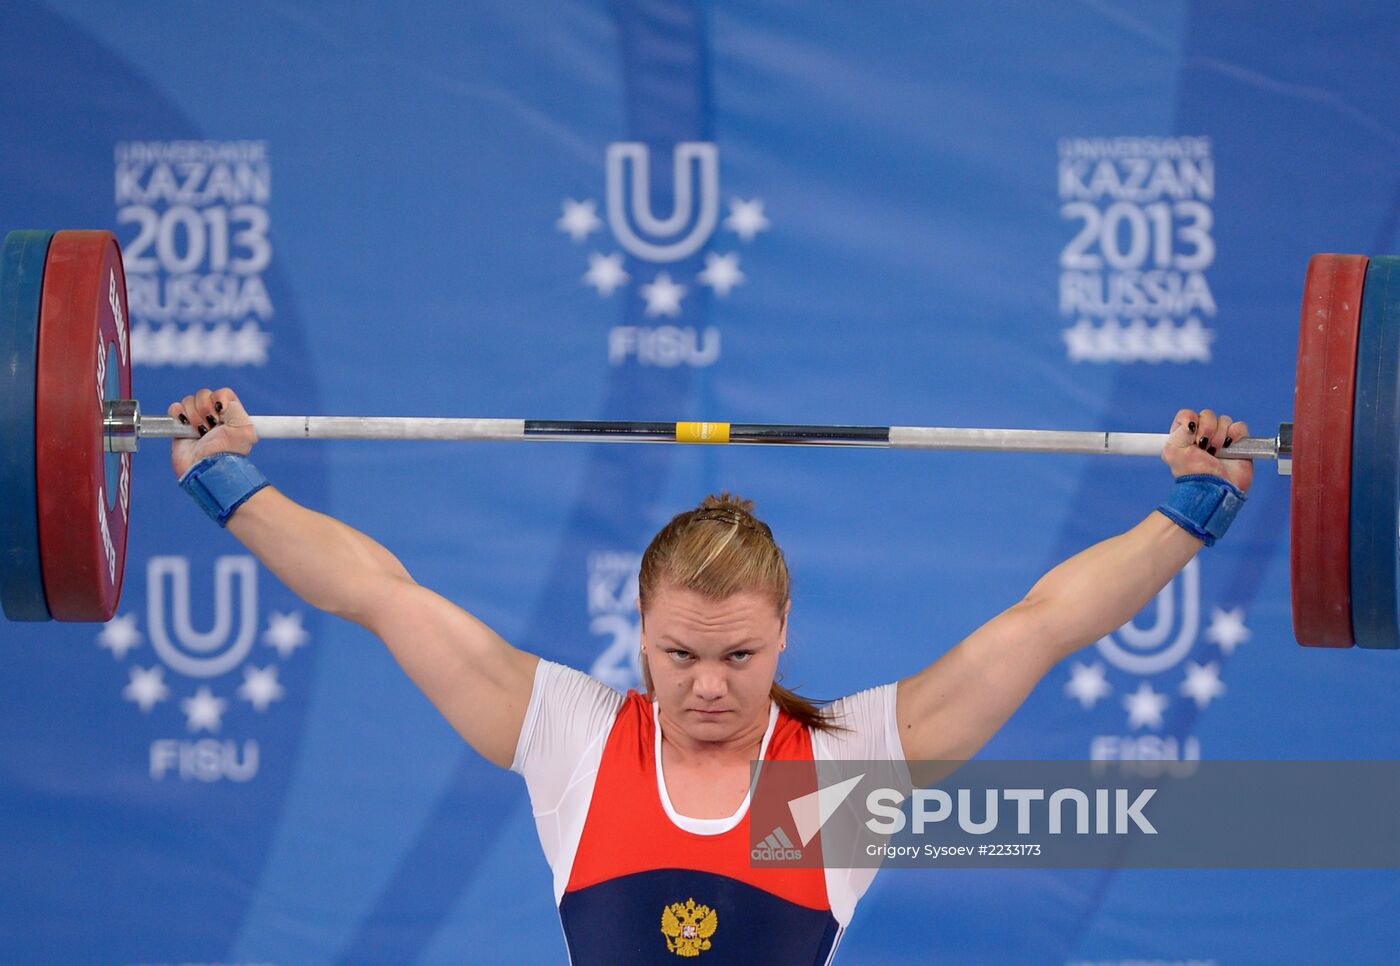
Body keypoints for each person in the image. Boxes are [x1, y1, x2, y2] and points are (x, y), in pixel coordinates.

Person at [167, 388, 1252, 964]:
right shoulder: (572, 739)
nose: (708, 686)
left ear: (783, 637)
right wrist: (229, 480)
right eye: (679, 655)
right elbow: (378, 592)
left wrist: (1191, 506)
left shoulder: (837, 770)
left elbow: (1042, 624)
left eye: (738, 656)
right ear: (638, 635)